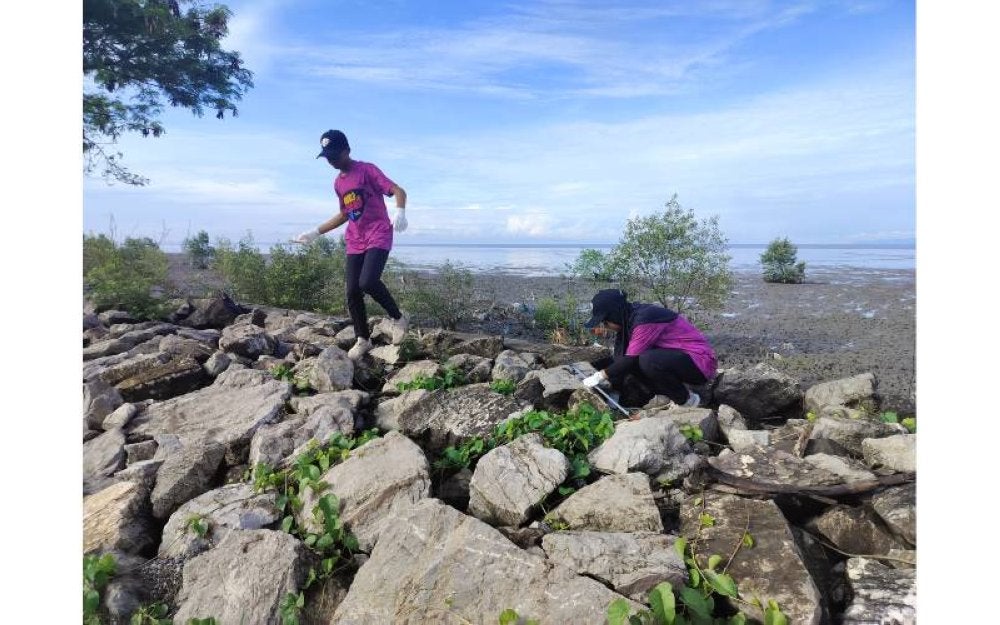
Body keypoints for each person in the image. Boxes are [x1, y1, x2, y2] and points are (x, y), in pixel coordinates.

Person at [294, 129, 409, 360]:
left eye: (335, 155)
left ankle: (398, 318)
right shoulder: (338, 183)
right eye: (327, 157)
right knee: (352, 291)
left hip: (378, 233)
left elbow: (397, 190)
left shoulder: (367, 170)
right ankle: (362, 339)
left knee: (367, 282)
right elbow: (345, 214)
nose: (331, 160)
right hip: (355, 239)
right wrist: (315, 232)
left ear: (347, 150)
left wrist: (400, 210)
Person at [581, 289, 716, 408]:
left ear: (614, 314)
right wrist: (614, 390)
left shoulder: (644, 319)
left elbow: (630, 360)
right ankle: (665, 394)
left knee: (648, 360)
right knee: (633, 360)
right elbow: (620, 358)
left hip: (699, 363)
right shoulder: (628, 321)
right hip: (677, 359)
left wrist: (599, 376)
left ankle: (687, 401)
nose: (605, 326)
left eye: (605, 321)